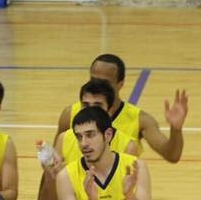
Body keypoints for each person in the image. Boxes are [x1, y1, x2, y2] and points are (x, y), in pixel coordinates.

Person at [57, 53, 188, 163]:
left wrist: (176, 129)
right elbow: (53, 163)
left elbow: (172, 156)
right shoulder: (70, 114)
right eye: (94, 79)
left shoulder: (140, 120)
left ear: (120, 84)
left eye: (105, 82)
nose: (98, 85)